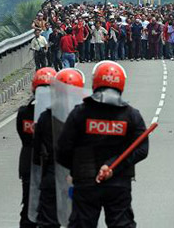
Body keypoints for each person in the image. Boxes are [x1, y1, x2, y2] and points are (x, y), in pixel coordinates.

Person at [56, 61, 149, 228]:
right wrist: (114, 167)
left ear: (95, 83)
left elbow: (62, 150)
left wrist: (78, 169)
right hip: (119, 183)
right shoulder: (131, 115)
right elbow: (142, 149)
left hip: (85, 183)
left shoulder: (80, 113)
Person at [33, 68, 84, 228]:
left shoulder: (45, 117)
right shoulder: (85, 116)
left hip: (52, 174)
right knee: (82, 220)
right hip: (81, 178)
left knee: (48, 221)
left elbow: (36, 152)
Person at [17, 67, 57, 228]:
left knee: (28, 207)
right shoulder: (57, 116)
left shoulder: (23, 113)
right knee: (51, 211)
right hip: (50, 166)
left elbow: (23, 136)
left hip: (28, 163)